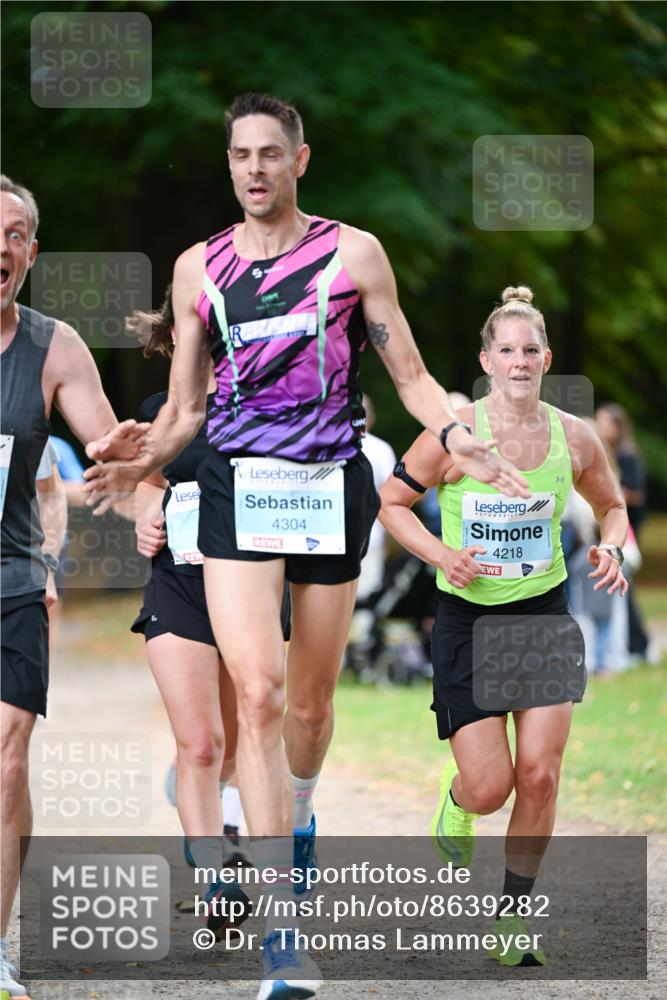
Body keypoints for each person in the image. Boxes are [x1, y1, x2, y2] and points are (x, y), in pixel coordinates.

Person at [82, 93, 529, 998]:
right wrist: (140, 459)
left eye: (269, 154)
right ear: (230, 163)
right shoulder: (196, 269)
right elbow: (187, 411)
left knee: (311, 713)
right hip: (239, 492)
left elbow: (408, 375)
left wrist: (458, 435)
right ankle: (282, 935)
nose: (253, 169)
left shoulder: (352, 254)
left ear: (300, 160)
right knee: (258, 692)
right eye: (239, 155)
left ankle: (303, 804)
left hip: (329, 490)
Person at [379, 285, 628, 967]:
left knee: (540, 777)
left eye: (529, 351)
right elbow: (392, 504)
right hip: (469, 621)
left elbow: (609, 507)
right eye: (505, 350)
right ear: (486, 360)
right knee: (491, 787)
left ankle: (513, 919)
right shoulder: (453, 434)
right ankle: (459, 802)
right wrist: (441, 556)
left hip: (542, 617)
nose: (518, 361)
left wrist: (609, 545)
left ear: (544, 360)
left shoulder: (572, 438)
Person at [0, 174, 148, 999]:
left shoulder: (54, 347)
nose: (0, 246)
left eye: (15, 233)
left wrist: (148, 478)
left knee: (7, 761)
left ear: (29, 252)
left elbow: (111, 451)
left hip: (13, 578)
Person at [595, 403, 653, 662]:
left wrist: (608, 492)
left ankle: (639, 644)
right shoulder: (612, 455)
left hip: (627, 528)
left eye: (605, 422)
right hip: (620, 526)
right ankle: (635, 644)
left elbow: (635, 495)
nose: (599, 427)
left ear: (618, 427)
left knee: (622, 586)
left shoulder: (627, 456)